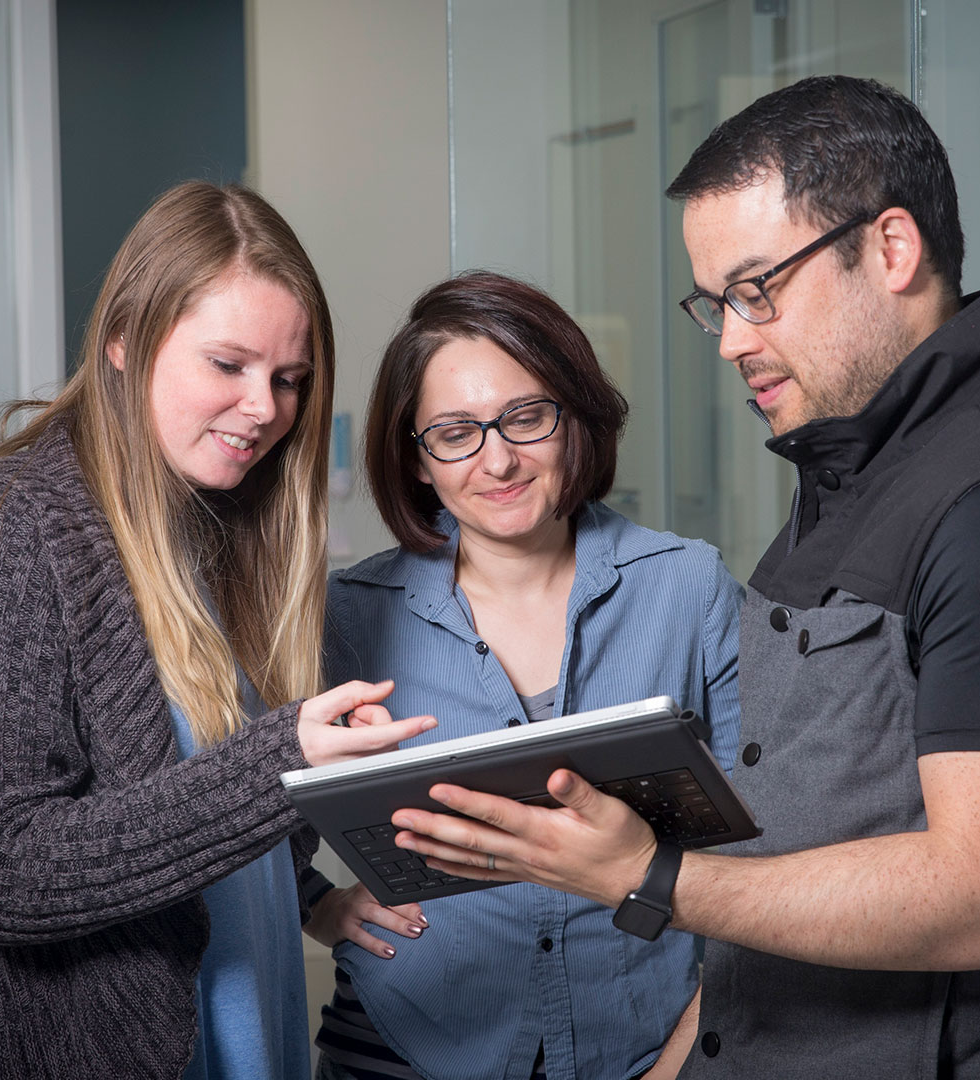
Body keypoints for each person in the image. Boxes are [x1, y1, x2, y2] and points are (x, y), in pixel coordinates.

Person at [389, 76, 980, 1080]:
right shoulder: (850, 480)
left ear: (891, 249)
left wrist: (647, 873)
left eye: (758, 290)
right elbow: (791, 868)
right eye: (714, 303)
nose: (730, 339)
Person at [0, 181, 436, 1080]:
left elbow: (183, 805)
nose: (264, 407)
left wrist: (306, 896)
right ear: (124, 338)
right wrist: (277, 766)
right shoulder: (8, 535)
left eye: (289, 378)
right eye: (227, 366)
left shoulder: (216, 522)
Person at [301, 270, 742, 1080]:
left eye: (526, 417)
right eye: (455, 432)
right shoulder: (350, 617)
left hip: (644, 1049)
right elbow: (251, 823)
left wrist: (678, 1067)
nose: (497, 459)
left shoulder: (688, 588)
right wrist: (320, 906)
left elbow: (767, 859)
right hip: (402, 1047)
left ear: (576, 418)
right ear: (419, 458)